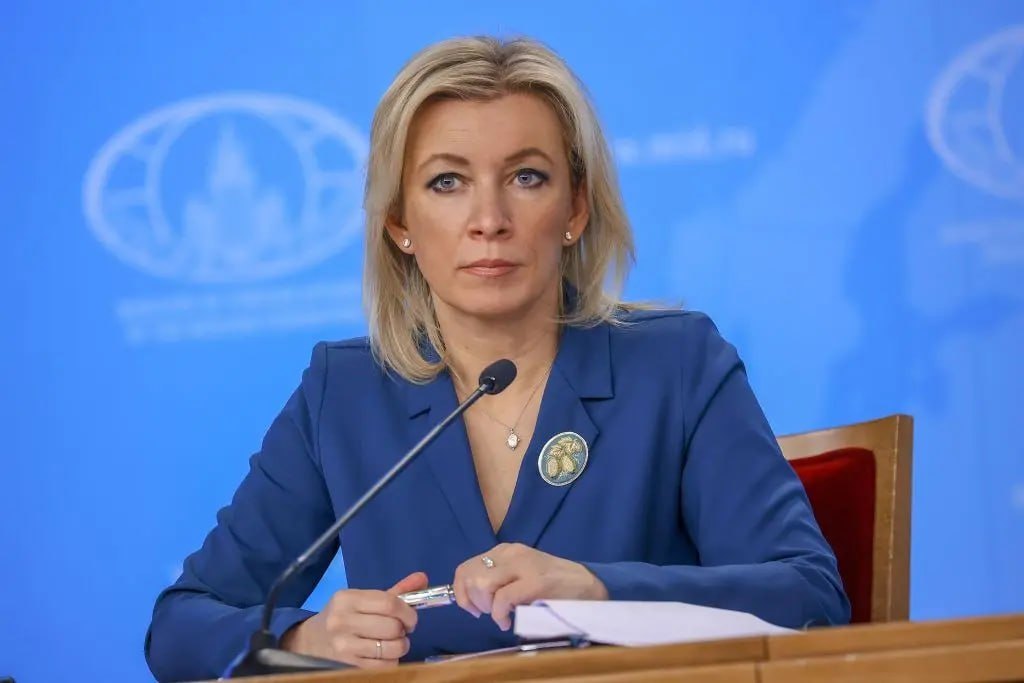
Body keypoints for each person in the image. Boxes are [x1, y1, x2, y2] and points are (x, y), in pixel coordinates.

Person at [144, 35, 849, 682]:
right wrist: (308, 638)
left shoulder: (678, 365)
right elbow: (181, 627)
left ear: (576, 207)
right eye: (447, 182)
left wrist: (598, 591)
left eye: (527, 177)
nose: (490, 220)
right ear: (399, 223)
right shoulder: (346, 393)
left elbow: (810, 598)